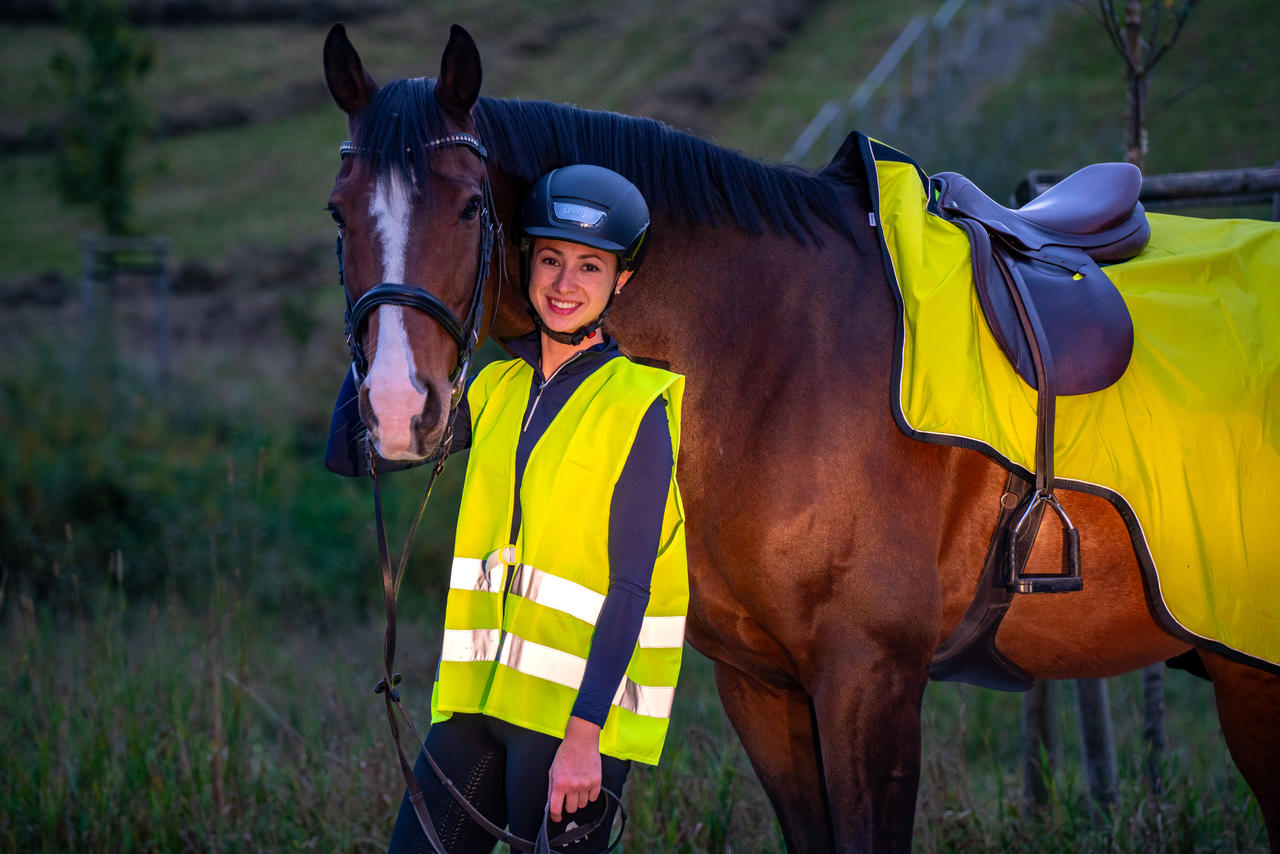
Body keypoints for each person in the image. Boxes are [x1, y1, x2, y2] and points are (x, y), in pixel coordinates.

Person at [327, 165, 688, 853]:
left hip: (575, 726)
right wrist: (379, 312)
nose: (564, 283)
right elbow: (358, 454)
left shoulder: (638, 404)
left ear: (622, 282)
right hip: (476, 706)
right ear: (524, 262)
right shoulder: (493, 384)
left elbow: (632, 587)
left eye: (589, 266)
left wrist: (587, 739)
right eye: (550, 259)